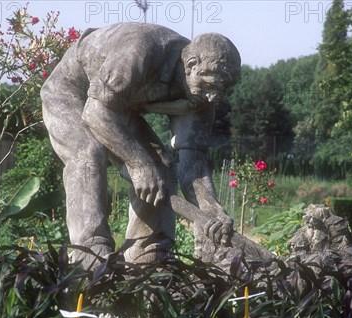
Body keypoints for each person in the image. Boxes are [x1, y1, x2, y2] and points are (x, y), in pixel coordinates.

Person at [41, 22, 241, 267]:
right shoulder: (141, 50)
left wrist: (211, 208)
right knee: (88, 154)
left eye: (221, 90)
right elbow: (95, 114)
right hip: (71, 91)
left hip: (115, 105)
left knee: (162, 167)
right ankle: (89, 253)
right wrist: (138, 164)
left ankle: (147, 252)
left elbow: (193, 161)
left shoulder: (203, 99)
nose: (212, 98)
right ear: (191, 66)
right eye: (209, 85)